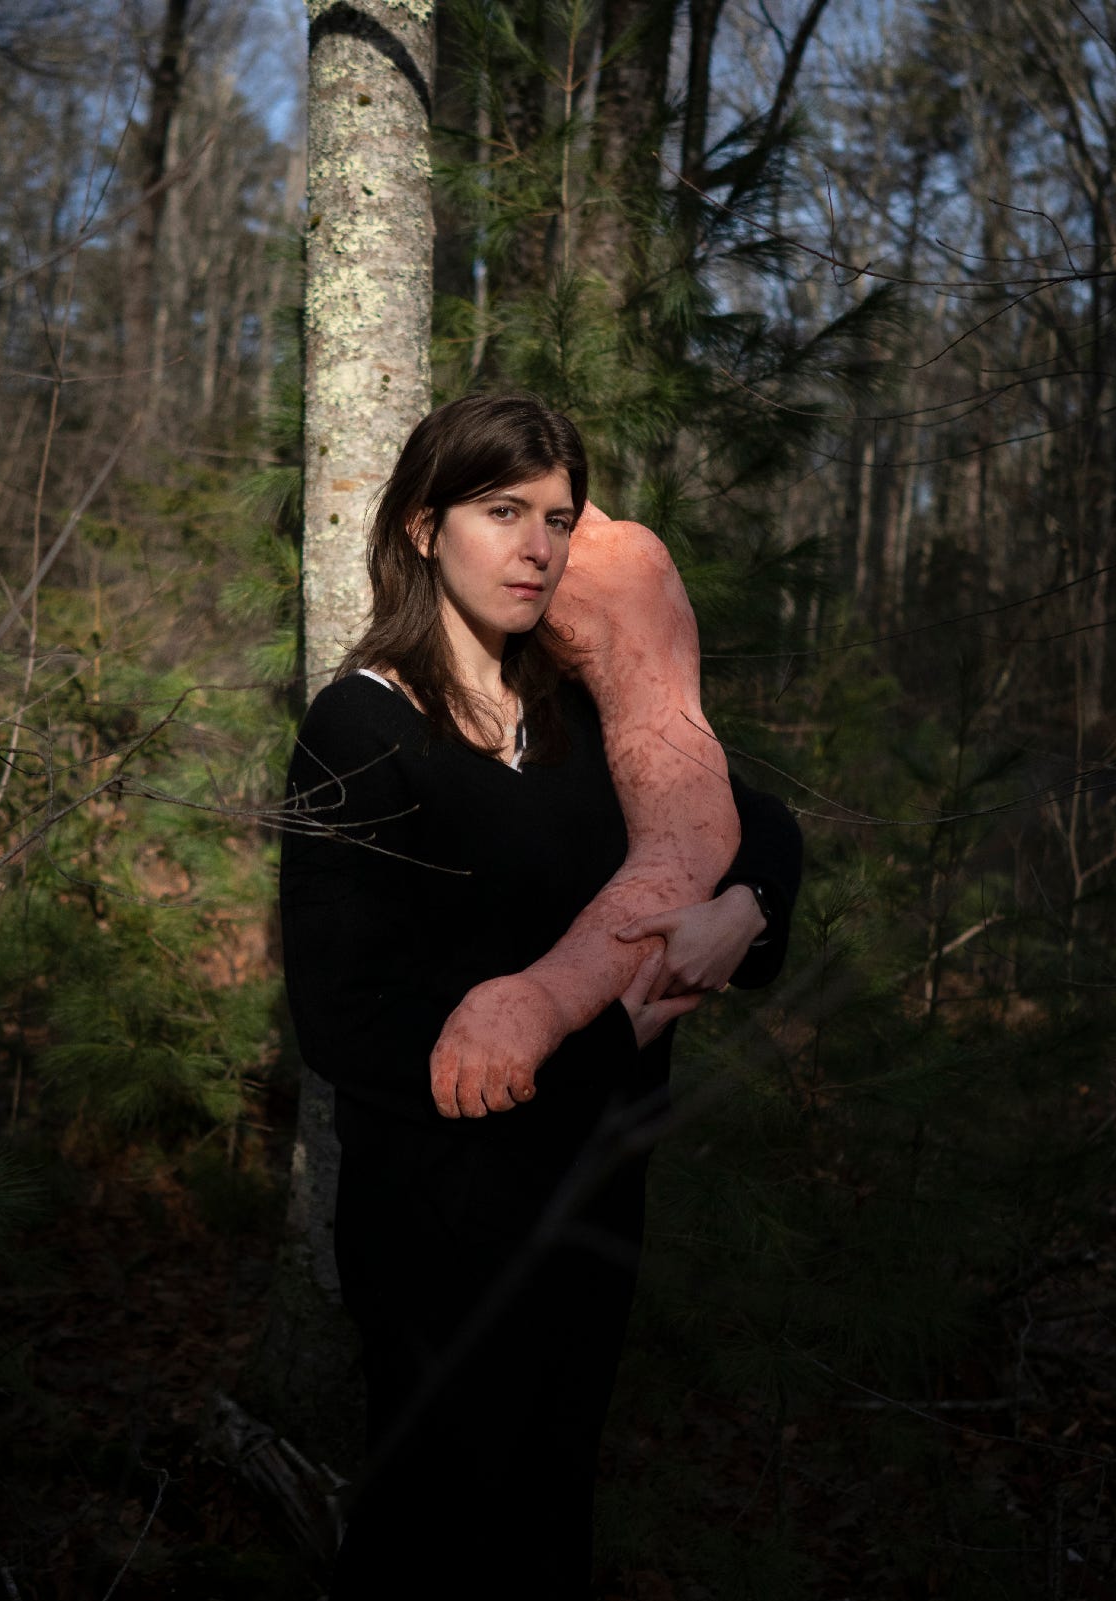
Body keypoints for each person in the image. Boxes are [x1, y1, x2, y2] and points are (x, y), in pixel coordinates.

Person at [279, 393, 801, 1596]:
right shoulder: (360, 728)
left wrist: (746, 906)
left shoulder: (570, 714)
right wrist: (611, 1032)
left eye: (559, 520)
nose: (537, 548)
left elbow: (752, 817)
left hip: (595, 1198)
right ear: (424, 527)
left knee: (550, 1523)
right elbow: (346, 1017)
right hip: (445, 1217)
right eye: (502, 512)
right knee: (432, 1532)